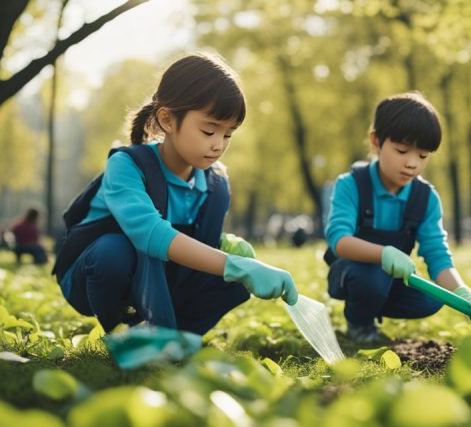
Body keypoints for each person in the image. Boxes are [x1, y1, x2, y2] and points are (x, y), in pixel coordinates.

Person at [52, 53, 297, 338]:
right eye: (209, 130)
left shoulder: (216, 183)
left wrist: (230, 251)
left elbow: (196, 244)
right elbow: (149, 234)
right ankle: (122, 332)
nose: (218, 145)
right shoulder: (128, 166)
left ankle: (178, 337)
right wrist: (234, 265)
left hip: (162, 277)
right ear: (168, 119)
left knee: (229, 270)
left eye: (228, 134)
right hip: (94, 273)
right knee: (113, 252)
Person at [323, 92, 471, 345]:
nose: (412, 163)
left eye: (423, 156)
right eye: (402, 150)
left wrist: (467, 296)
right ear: (376, 141)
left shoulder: (425, 198)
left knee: (433, 297)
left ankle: (374, 306)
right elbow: (339, 240)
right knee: (370, 280)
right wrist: (384, 253)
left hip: (393, 277)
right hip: (353, 272)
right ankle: (359, 323)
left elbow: (437, 255)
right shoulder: (351, 185)